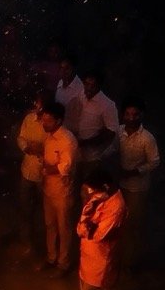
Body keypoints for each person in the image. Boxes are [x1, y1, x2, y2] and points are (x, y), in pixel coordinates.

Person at [59, 170, 126, 290]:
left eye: (93, 190)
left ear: (105, 187)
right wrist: (84, 225)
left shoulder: (116, 207)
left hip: (101, 258)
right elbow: (83, 223)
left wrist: (85, 227)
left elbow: (97, 235)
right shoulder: (100, 197)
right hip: (90, 254)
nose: (90, 193)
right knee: (86, 288)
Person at [115, 98, 160, 268]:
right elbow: (111, 149)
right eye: (127, 114)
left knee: (133, 225)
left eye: (135, 114)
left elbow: (154, 161)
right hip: (119, 185)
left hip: (137, 188)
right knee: (117, 222)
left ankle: (129, 263)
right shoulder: (118, 132)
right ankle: (118, 258)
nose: (131, 118)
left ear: (141, 115)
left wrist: (135, 171)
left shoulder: (147, 138)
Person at [40, 102, 78, 276]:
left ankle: (63, 264)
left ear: (59, 120)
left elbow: (66, 167)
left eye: (48, 120)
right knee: (50, 225)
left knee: (64, 228)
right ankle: (50, 258)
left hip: (62, 192)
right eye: (44, 119)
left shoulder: (67, 140)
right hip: (48, 190)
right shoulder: (49, 137)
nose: (44, 123)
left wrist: (47, 169)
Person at [15, 91, 51, 255]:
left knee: (43, 211)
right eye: (37, 104)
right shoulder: (29, 119)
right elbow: (21, 137)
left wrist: (42, 149)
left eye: (41, 104)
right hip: (27, 171)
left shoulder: (51, 124)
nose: (38, 107)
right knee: (25, 208)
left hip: (44, 175)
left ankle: (43, 245)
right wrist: (27, 147)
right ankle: (26, 241)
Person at [65, 71, 118, 178]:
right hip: (75, 154)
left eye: (92, 85)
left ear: (99, 85)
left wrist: (86, 143)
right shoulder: (81, 95)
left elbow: (111, 132)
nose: (88, 88)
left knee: (89, 187)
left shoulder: (107, 105)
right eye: (86, 84)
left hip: (91, 157)